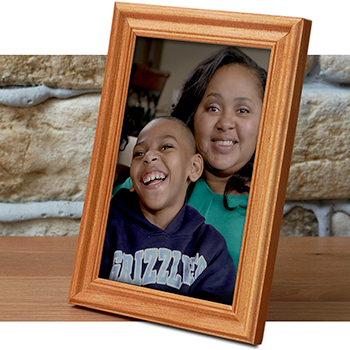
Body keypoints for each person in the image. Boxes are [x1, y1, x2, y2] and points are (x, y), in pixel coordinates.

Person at [114, 46, 267, 272]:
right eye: (213, 108)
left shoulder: (266, 211)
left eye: (243, 110)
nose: (225, 123)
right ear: (193, 115)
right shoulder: (153, 181)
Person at [100, 116, 236, 305]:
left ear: (194, 167)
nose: (149, 157)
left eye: (166, 147)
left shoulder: (210, 247)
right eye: (139, 153)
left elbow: (211, 321)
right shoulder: (106, 225)